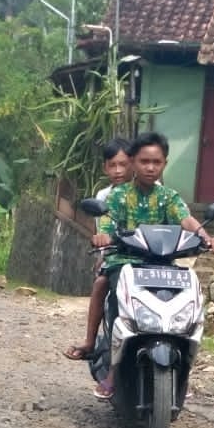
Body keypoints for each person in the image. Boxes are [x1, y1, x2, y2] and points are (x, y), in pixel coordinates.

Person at [90, 131, 214, 398]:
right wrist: (103, 236)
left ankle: (182, 365)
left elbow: (185, 219)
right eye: (144, 161)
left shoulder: (168, 197)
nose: (150, 167)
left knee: (187, 302)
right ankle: (113, 371)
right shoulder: (118, 197)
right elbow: (106, 222)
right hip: (125, 262)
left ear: (165, 163)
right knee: (117, 298)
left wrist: (207, 238)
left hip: (162, 263)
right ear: (133, 162)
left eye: (157, 162)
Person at [65, 139, 135, 362]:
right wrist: (102, 251)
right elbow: (102, 230)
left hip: (150, 257)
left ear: (133, 164)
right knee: (100, 284)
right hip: (117, 256)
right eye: (112, 165)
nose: (118, 170)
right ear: (105, 167)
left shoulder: (154, 191)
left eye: (123, 164)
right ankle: (90, 342)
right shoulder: (104, 196)